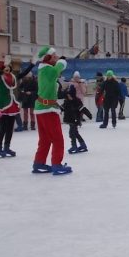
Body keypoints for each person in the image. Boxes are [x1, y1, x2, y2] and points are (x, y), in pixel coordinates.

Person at [32, 46, 72, 175]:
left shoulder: (44, 69)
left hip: (41, 108)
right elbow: (56, 71)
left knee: (45, 139)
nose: (56, 57)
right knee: (57, 139)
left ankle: (39, 163)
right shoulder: (48, 69)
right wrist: (62, 63)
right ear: (47, 57)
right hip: (48, 109)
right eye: (54, 55)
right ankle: (56, 164)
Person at [0, 57, 34, 158]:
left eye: (8, 67)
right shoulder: (0, 77)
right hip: (3, 105)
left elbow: (23, 74)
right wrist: (2, 65)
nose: (7, 69)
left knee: (10, 128)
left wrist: (32, 64)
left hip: (12, 105)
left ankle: (7, 147)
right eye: (5, 68)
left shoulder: (13, 76)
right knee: (3, 128)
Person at [63, 83, 91, 154]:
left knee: (72, 133)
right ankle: (83, 145)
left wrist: (89, 115)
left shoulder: (77, 101)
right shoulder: (66, 101)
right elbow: (62, 107)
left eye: (70, 94)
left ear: (73, 94)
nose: (68, 96)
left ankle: (74, 146)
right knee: (75, 133)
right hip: (69, 119)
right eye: (67, 95)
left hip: (75, 120)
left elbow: (83, 108)